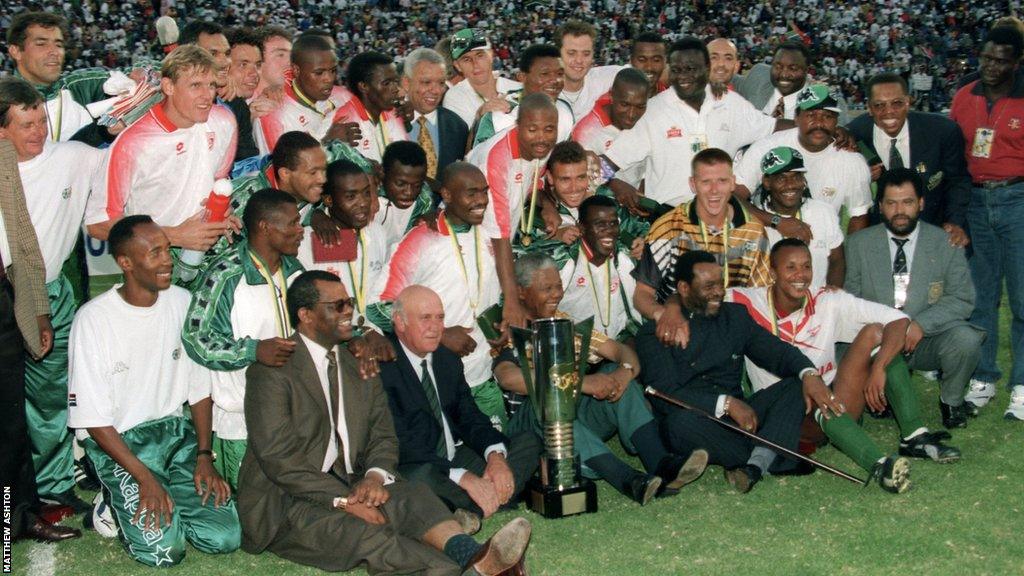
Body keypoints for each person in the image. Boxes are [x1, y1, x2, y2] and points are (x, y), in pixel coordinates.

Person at [239, 270, 532, 575]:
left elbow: (383, 435)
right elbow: (279, 460)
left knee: (416, 497)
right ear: (306, 315)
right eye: (336, 305)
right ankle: (475, 569)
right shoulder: (272, 371)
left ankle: (473, 556)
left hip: (352, 482)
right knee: (368, 534)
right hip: (288, 502)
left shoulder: (360, 363)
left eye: (349, 302)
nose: (349, 311)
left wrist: (374, 478)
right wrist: (343, 500)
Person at [67, 216, 240, 565]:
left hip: (175, 437)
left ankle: (171, 492)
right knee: (164, 552)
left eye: (167, 249)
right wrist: (144, 478)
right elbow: (93, 419)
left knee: (224, 537)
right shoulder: (93, 319)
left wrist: (205, 456)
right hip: (120, 444)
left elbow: (199, 390)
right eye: (155, 252)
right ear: (125, 263)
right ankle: (111, 502)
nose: (168, 259)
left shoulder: (180, 302)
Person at [729, 239, 960, 492]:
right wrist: (675, 308)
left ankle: (914, 436)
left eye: (806, 267)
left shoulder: (827, 299)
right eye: (790, 267)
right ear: (772, 273)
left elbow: (898, 320)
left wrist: (880, 366)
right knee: (808, 390)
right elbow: (697, 297)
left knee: (875, 333)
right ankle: (879, 466)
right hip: (784, 415)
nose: (800, 275)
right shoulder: (745, 300)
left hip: (836, 397)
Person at [494, 253, 709, 504]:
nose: (557, 294)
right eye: (547, 288)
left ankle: (661, 463)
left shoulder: (565, 321)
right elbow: (508, 378)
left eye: (558, 286)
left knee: (614, 377)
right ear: (520, 292)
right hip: (530, 426)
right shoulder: (508, 327)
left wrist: (624, 371)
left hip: (574, 415)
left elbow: (621, 351)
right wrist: (582, 383)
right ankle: (628, 479)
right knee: (553, 401)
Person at [635, 250, 831, 493]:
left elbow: (777, 352)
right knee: (678, 424)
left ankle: (755, 464)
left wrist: (809, 374)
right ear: (683, 288)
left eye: (720, 283)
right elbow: (664, 395)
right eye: (708, 286)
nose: (718, 291)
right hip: (697, 418)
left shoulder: (735, 316)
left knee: (795, 385)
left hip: (743, 417)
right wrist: (725, 403)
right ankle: (771, 455)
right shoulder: (654, 332)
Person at [0, 78, 105, 511]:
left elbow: (129, 159)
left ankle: (52, 486)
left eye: (41, 120)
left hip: (51, 290)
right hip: (6, 292)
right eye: (25, 125)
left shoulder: (73, 157)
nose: (38, 132)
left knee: (51, 396)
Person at [379, 285, 541, 522]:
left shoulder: (446, 358)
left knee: (527, 442)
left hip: (455, 456)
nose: (436, 328)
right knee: (417, 479)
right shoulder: (383, 366)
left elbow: (470, 417)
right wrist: (464, 477)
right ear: (400, 322)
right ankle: (481, 502)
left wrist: (495, 457)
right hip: (417, 463)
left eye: (440, 318)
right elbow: (400, 444)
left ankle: (464, 506)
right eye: (425, 318)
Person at [182, 189, 306, 488]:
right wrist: (253, 350)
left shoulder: (295, 271)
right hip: (242, 418)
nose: (301, 230)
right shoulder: (225, 274)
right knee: (252, 507)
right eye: (292, 223)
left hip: (291, 411)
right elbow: (196, 338)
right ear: (265, 227)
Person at [368, 163, 506, 429]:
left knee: (499, 454)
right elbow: (379, 305)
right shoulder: (420, 239)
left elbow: (496, 294)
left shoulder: (491, 235)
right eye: (471, 193)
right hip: (435, 380)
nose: (481, 200)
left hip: (483, 375)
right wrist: (439, 335)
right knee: (450, 462)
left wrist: (501, 324)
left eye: (484, 192)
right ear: (447, 195)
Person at [845, 169, 984, 430]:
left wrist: (920, 323)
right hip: (879, 337)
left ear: (920, 203)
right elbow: (851, 300)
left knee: (966, 339)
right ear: (880, 206)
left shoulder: (946, 242)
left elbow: (962, 298)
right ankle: (881, 394)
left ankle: (952, 400)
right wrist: (887, 330)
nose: (900, 211)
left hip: (925, 339)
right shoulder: (858, 244)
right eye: (891, 203)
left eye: (907, 202)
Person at [85, 45, 238, 280]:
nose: (207, 96)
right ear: (168, 86)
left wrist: (221, 213)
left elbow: (218, 180)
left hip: (208, 254)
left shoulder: (224, 121)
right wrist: (175, 236)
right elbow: (98, 223)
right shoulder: (132, 143)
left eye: (211, 85)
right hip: (153, 263)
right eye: (196, 85)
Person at [599, 37, 780, 209]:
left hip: (719, 219)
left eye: (691, 69)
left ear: (707, 68)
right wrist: (615, 184)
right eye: (677, 70)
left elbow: (773, 128)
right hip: (667, 220)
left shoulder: (730, 103)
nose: (683, 77)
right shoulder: (653, 111)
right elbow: (606, 164)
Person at [0, 139, 76, 543]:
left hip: (4, 296)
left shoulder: (3, 156)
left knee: (11, 423)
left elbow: (24, 238)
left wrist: (39, 309)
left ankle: (19, 516)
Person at [948, 26, 1024, 421]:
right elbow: (953, 153)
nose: (991, 67)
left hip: (1018, 198)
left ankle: (1023, 386)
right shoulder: (965, 95)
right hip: (976, 201)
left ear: (1017, 61)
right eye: (987, 58)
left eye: (1001, 60)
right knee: (981, 297)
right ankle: (984, 377)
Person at [633, 148, 771, 335]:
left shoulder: (754, 232)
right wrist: (662, 314)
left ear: (732, 183)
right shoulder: (667, 227)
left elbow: (760, 296)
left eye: (722, 181)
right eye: (705, 182)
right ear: (693, 184)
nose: (714, 190)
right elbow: (642, 294)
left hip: (730, 332)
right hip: (679, 330)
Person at [467, 93, 558, 328]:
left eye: (549, 129)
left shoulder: (541, 149)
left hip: (499, 250)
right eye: (532, 129)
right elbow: (500, 236)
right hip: (473, 250)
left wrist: (546, 205)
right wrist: (510, 300)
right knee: (478, 321)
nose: (542, 137)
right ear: (518, 126)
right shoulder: (496, 158)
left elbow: (533, 182)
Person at [847, 73, 971, 246]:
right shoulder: (854, 134)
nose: (888, 111)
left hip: (933, 230)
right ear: (869, 108)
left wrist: (954, 222)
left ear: (908, 102)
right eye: (879, 105)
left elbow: (958, 180)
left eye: (896, 103)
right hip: (881, 238)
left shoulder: (943, 131)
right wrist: (861, 176)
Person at [298, 159, 395, 373]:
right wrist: (358, 333)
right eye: (351, 196)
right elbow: (314, 308)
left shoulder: (377, 232)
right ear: (329, 200)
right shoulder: (309, 241)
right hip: (334, 347)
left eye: (366, 193)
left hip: (376, 339)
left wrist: (371, 331)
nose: (362, 203)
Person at [734, 84, 872, 234]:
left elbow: (858, 216)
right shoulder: (767, 147)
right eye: (811, 115)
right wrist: (776, 222)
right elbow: (733, 196)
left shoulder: (851, 161)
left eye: (827, 116)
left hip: (821, 244)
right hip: (768, 240)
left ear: (836, 120)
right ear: (796, 118)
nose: (819, 123)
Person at [6, 12, 109, 142]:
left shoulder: (80, 88)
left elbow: (136, 73)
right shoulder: (3, 102)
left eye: (59, 45)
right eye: (41, 44)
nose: (54, 52)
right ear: (15, 51)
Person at [751, 146, 844, 289]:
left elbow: (837, 260)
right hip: (768, 306)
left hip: (816, 306)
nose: (790, 185)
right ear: (767, 182)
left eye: (796, 177)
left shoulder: (823, 211)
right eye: (781, 178)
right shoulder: (756, 220)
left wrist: (832, 293)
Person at [251, 34, 353, 155]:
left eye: (333, 71)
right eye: (319, 73)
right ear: (296, 70)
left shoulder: (341, 98)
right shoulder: (270, 114)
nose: (329, 79)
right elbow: (281, 169)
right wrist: (327, 142)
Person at [469, 44, 574, 147]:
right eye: (545, 74)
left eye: (560, 74)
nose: (555, 81)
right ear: (522, 77)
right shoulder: (498, 115)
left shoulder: (564, 108)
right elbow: (479, 161)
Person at [571, 68, 650, 191]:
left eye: (640, 106)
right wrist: (613, 184)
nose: (631, 114)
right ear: (611, 95)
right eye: (624, 105)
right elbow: (579, 179)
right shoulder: (587, 131)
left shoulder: (648, 120)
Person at [734, 41, 850, 123]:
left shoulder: (829, 104)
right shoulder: (759, 76)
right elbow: (730, 79)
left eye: (793, 68)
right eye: (778, 66)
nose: (784, 74)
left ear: (807, 70)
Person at [403, 47, 469, 179]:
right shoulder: (387, 121)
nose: (436, 90)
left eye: (441, 83)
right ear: (406, 83)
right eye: (426, 82)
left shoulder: (457, 126)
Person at [334, 51, 409, 163]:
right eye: (387, 83)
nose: (395, 89)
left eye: (396, 81)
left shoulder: (394, 114)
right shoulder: (343, 122)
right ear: (364, 86)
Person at [442, 29, 522, 129]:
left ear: (491, 55)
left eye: (480, 55)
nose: (475, 64)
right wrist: (480, 117)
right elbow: (462, 143)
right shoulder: (455, 97)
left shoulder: (518, 88)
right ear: (458, 66)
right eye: (466, 59)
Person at [374, 141, 436, 251]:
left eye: (417, 185)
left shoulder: (424, 200)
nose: (409, 192)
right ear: (382, 173)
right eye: (400, 184)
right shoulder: (365, 192)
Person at [555, 21, 622, 120]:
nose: (579, 60)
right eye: (571, 53)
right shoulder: (544, 92)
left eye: (586, 54)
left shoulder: (606, 78)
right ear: (557, 55)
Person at [224, 27, 264, 162]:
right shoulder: (234, 105)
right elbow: (248, 171)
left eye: (257, 65)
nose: (254, 73)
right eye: (243, 64)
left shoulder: (240, 107)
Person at [180, 22, 233, 103]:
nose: (225, 63)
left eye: (227, 53)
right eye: (213, 54)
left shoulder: (234, 105)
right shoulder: (162, 97)